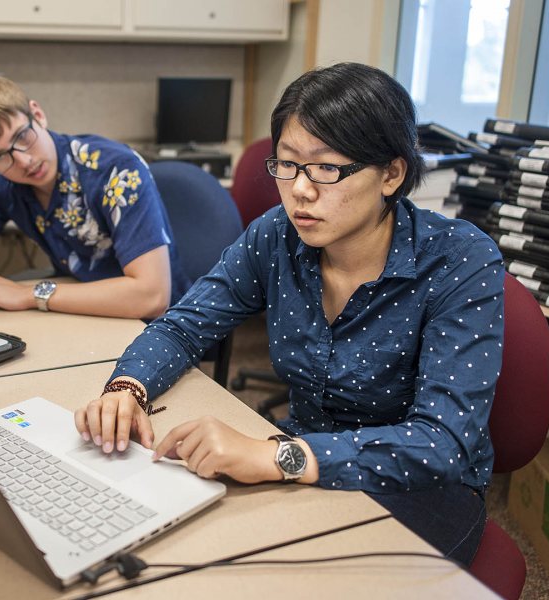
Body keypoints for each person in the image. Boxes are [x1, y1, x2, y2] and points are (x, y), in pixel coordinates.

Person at [74, 62, 504, 566]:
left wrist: (278, 456)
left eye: (326, 169)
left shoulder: (460, 260)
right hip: (300, 459)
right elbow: (183, 326)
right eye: (286, 164)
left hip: (421, 488)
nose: (300, 190)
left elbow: (441, 443)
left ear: (392, 173)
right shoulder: (276, 234)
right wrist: (127, 387)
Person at [0, 76, 191, 320]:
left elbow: (152, 297)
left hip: (160, 328)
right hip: (90, 318)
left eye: (23, 136)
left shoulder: (114, 169)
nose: (22, 160)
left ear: (38, 114)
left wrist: (31, 294)